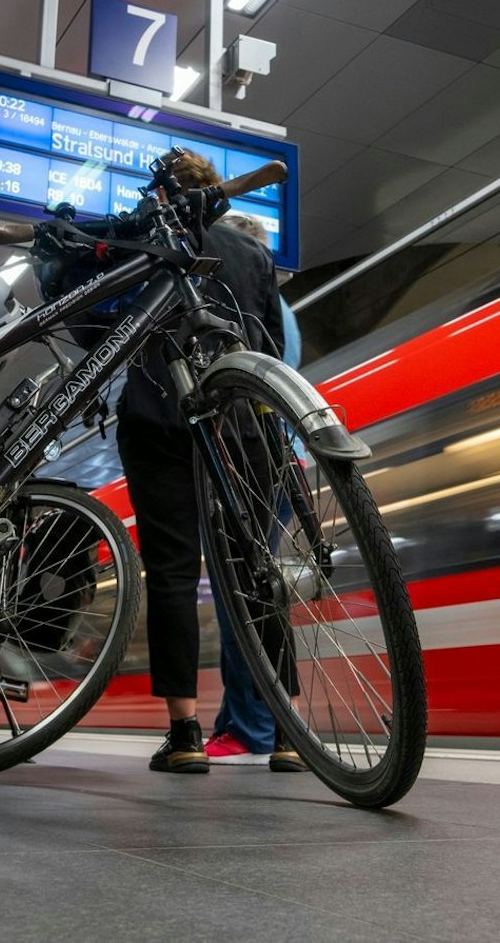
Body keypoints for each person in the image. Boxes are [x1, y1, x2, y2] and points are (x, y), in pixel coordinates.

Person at [116, 151, 291, 774]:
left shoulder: (144, 237)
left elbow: (100, 333)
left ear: (161, 195)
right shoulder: (253, 255)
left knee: (171, 575)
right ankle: (287, 735)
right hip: (241, 425)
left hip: (159, 418)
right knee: (258, 570)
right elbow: (268, 348)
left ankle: (185, 732)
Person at [198, 214, 305, 771]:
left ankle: (255, 726)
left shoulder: (242, 303)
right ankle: (238, 719)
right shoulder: (281, 311)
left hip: (248, 450)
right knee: (249, 587)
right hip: (274, 453)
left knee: (245, 593)